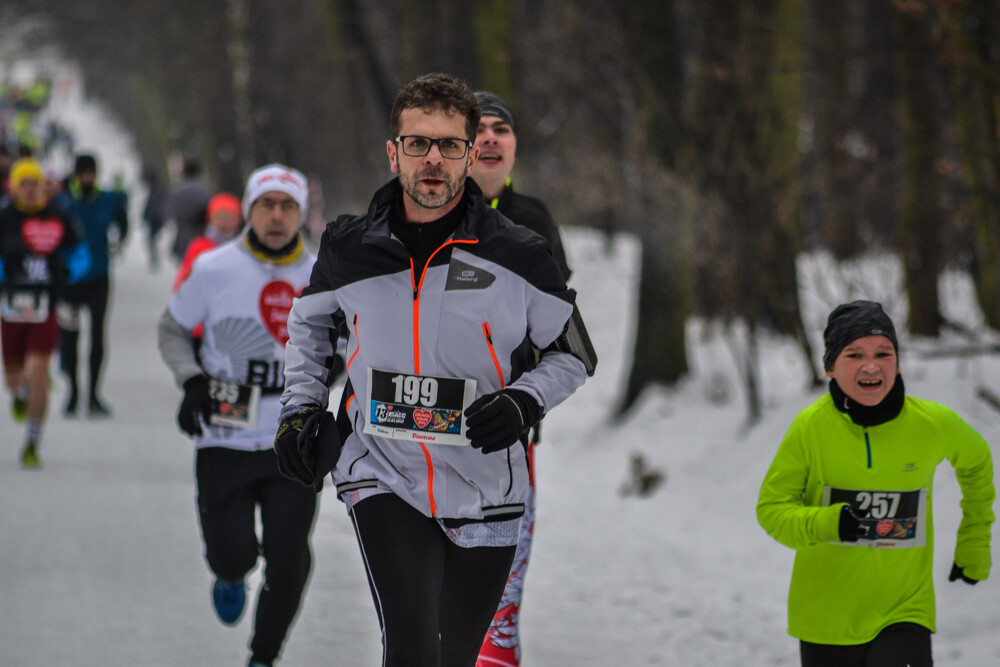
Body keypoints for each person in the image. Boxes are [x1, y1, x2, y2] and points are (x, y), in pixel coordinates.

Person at [274, 72, 596, 666]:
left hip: (486, 483)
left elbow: (575, 354)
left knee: (456, 656)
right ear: (393, 152)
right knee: (413, 648)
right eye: (418, 143)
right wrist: (300, 410)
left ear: (471, 155)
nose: (433, 159)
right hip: (382, 468)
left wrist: (525, 401)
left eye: (450, 145)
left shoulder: (519, 254)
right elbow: (310, 326)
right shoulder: (350, 247)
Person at [756, 300, 995, 667]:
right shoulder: (810, 428)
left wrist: (974, 544)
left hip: (905, 612)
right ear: (831, 367)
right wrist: (826, 523)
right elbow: (771, 510)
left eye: (884, 353)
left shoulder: (932, 424)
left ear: (897, 362)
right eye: (854, 354)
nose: (871, 366)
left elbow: (977, 462)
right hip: (826, 617)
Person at [157, 164, 318, 667]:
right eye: (265, 205)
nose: (276, 216)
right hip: (223, 435)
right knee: (233, 555)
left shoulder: (321, 276)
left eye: (287, 206)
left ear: (301, 214)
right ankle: (230, 575)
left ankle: (263, 656)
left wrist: (331, 375)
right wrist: (192, 382)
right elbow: (172, 330)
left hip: (290, 440)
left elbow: (352, 343)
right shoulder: (213, 268)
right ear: (248, 211)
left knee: (289, 558)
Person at [471, 90, 572, 667]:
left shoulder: (533, 220)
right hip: (425, 429)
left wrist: (530, 395)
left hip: (510, 429)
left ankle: (496, 651)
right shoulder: (425, 211)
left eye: (501, 129)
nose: (489, 137)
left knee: (504, 570)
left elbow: (563, 328)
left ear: (513, 148)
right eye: (478, 128)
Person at [0, 157, 88, 467]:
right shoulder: (5, 217)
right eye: (22, 184)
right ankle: (19, 393)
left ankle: (32, 442)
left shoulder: (57, 217)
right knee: (13, 379)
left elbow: (80, 253)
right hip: (10, 306)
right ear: (13, 187)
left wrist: (67, 273)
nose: (28, 190)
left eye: (33, 184)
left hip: (45, 304)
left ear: (41, 186)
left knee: (38, 370)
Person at [54, 154, 129, 417]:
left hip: (99, 278)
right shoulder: (62, 203)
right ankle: (73, 392)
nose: (87, 178)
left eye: (91, 173)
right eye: (83, 173)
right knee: (69, 338)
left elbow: (123, 221)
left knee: (97, 336)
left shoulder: (108, 199)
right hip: (69, 282)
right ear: (75, 175)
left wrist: (118, 245)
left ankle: (94, 395)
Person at [173, 191, 243, 292]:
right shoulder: (199, 246)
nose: (224, 222)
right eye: (220, 217)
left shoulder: (241, 248)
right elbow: (184, 278)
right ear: (211, 219)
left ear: (238, 220)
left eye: (229, 217)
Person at [166, 157, 212, 263]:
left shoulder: (176, 190)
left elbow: (169, 212)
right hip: (202, 235)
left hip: (182, 236)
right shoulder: (205, 188)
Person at [141, 167, 168, 272]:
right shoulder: (156, 188)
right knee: (152, 241)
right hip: (154, 219)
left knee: (152, 241)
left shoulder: (156, 189)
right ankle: (154, 259)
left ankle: (154, 260)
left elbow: (154, 206)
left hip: (155, 219)